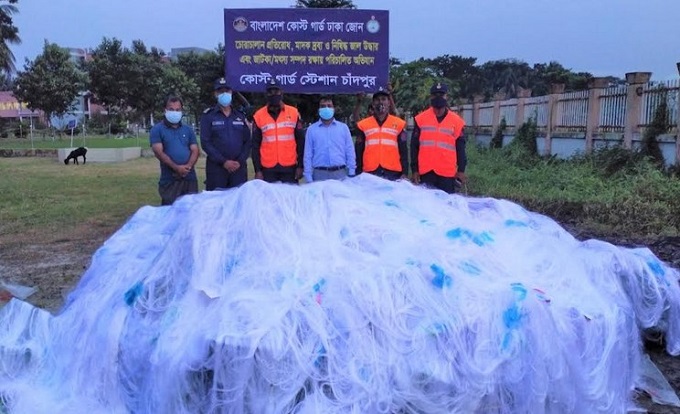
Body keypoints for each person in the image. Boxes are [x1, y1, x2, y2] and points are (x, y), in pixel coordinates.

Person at [410, 82, 467, 194]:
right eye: (435, 94)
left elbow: (460, 148)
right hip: (426, 172)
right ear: (431, 97)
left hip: (447, 173)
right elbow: (414, 147)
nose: (438, 97)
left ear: (447, 97)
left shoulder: (456, 121)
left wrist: (461, 170)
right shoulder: (421, 119)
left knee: (446, 207)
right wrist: (415, 170)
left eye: (441, 94)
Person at [200, 78, 252, 190]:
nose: (224, 94)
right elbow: (205, 142)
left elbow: (247, 141)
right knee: (216, 203)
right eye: (220, 91)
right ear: (215, 94)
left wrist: (239, 161)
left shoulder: (240, 115)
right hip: (217, 169)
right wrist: (223, 162)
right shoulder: (208, 116)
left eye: (227, 91)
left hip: (239, 169)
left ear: (231, 93)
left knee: (238, 203)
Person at [251, 79, 305, 183]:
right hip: (267, 168)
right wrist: (257, 170)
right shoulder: (258, 115)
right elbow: (255, 145)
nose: (273, 94)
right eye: (270, 92)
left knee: (289, 198)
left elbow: (301, 142)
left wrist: (300, 166)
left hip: (289, 167)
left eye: (276, 91)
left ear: (282, 93)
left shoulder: (293, 113)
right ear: (266, 94)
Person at [149, 96, 199, 205]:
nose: (175, 112)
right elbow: (159, 152)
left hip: (189, 178)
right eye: (171, 109)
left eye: (178, 110)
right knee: (170, 212)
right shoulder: (157, 130)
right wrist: (176, 168)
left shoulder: (188, 130)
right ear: (165, 110)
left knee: (190, 211)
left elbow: (195, 150)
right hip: (170, 180)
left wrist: (188, 167)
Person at [355, 86, 408, 181]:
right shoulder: (363, 125)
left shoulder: (399, 124)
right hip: (370, 172)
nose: (381, 102)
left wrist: (405, 172)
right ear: (373, 103)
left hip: (393, 173)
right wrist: (358, 172)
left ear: (389, 103)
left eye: (384, 99)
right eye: (377, 100)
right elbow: (359, 151)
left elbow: (403, 150)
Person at [303, 95, 356, 183]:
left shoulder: (343, 128)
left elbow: (349, 150)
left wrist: (351, 171)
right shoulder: (311, 130)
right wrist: (308, 177)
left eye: (329, 106)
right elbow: (308, 154)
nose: (326, 108)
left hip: (340, 174)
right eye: (323, 106)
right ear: (319, 109)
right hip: (319, 174)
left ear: (334, 108)